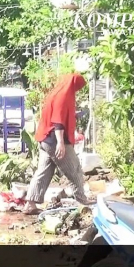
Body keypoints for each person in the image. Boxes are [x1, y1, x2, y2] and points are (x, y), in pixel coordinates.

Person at [22, 73, 93, 215]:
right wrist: (60, 142)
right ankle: (81, 201)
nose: (76, 91)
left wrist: (76, 115)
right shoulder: (64, 96)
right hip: (56, 140)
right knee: (74, 170)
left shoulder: (56, 93)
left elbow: (60, 115)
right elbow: (58, 121)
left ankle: (30, 204)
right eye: (77, 88)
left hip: (46, 139)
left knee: (43, 172)